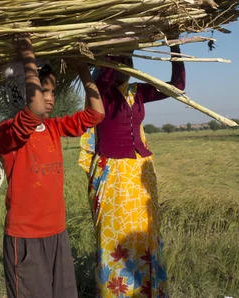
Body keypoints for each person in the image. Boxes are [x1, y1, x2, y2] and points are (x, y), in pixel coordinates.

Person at [0, 35, 105, 298]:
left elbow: (96, 113)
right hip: (25, 238)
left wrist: (82, 69)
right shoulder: (8, 131)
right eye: (44, 91)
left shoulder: (55, 127)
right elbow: (31, 112)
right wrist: (28, 56)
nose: (49, 98)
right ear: (21, 90)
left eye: (53, 92)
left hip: (57, 231)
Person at [78, 47, 185, 297]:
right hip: (112, 173)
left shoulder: (137, 92)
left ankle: (147, 290)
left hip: (140, 173)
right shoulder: (98, 92)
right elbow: (103, 76)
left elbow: (177, 86)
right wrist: (119, 43)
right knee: (113, 237)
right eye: (119, 61)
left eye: (128, 60)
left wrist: (174, 47)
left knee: (145, 234)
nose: (124, 65)